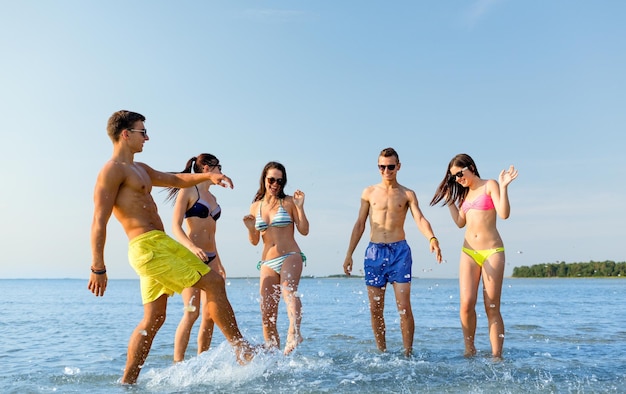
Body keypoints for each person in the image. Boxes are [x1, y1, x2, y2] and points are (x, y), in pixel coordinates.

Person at [88, 110, 256, 384]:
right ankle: (242, 350)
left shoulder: (140, 169)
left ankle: (127, 382)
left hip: (158, 245)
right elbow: (99, 220)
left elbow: (176, 180)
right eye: (143, 132)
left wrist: (208, 178)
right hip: (147, 247)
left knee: (154, 320)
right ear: (125, 134)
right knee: (213, 282)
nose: (147, 137)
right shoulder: (112, 170)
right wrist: (98, 266)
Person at [343, 147, 442, 357]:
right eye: (382, 167)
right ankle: (382, 352)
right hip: (374, 252)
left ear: (398, 166)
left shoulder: (407, 194)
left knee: (404, 307)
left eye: (390, 166)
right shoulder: (369, 192)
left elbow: (420, 218)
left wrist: (432, 238)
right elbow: (360, 223)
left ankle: (408, 353)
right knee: (375, 308)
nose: (386, 170)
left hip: (399, 252)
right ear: (378, 167)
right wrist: (349, 253)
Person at [429, 153, 518, 359]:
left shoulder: (490, 185)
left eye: (459, 174)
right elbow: (460, 223)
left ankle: (497, 356)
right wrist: (450, 201)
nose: (458, 179)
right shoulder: (465, 195)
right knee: (466, 303)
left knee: (491, 305)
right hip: (469, 252)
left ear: (470, 167)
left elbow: (504, 214)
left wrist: (504, 188)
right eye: (454, 178)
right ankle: (470, 350)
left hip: (492, 252)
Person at [165, 153, 228, 363]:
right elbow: (175, 226)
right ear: (207, 169)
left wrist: (219, 262)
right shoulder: (188, 190)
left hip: (211, 258)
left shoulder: (214, 198)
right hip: (191, 258)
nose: (221, 172)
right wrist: (191, 248)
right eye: (218, 167)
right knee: (191, 313)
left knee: (210, 316)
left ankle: (201, 361)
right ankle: (178, 363)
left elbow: (213, 235)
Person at [242, 161, 309, 355]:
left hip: (291, 255)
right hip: (267, 262)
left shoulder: (289, 202)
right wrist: (249, 228)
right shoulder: (255, 206)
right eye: (271, 180)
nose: (275, 184)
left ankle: (294, 332)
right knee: (267, 314)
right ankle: (274, 355)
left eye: (280, 181)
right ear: (264, 179)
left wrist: (300, 207)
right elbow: (255, 241)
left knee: (289, 292)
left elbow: (304, 230)